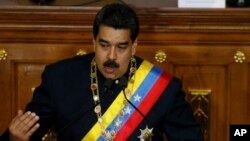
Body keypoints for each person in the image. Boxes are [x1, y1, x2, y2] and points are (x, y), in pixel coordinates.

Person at [0, 2, 203, 141]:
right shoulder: (59, 79)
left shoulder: (163, 88)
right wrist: (14, 138)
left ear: (133, 47)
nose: (111, 57)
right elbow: (26, 133)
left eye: (121, 47)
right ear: (93, 42)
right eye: (104, 45)